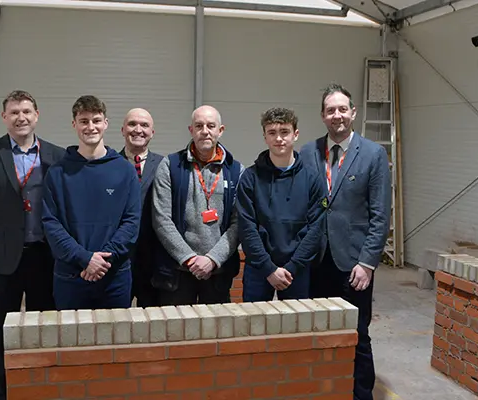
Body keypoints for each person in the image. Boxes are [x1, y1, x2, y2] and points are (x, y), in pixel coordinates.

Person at [0, 90, 66, 400]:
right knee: (3, 332)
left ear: (37, 115)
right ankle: (6, 392)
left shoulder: (56, 156)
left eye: (26, 111)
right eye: (14, 112)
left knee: (43, 330)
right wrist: (2, 231)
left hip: (44, 258)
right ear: (4, 117)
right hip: (2, 261)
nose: (21, 117)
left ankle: (42, 388)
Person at [300, 83, 391, 400]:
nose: (336, 115)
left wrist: (367, 263)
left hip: (353, 263)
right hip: (315, 261)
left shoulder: (373, 154)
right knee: (318, 331)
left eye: (342, 109)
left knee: (357, 334)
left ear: (353, 113)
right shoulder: (308, 153)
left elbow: (380, 214)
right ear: (322, 116)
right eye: (330, 110)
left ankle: (359, 394)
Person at [41, 95, 141, 310]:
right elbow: (51, 223)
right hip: (70, 277)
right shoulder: (57, 173)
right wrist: (84, 258)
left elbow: (131, 222)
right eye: (84, 121)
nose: (91, 127)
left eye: (96, 120)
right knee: (70, 341)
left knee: (116, 341)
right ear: (74, 124)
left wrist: (102, 261)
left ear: (105, 124)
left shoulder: (124, 170)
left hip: (114, 277)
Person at [151, 105, 244, 305]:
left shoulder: (236, 171)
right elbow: (161, 219)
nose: (205, 131)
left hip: (218, 272)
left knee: (217, 332)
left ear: (221, 130)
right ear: (191, 130)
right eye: (199, 125)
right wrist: (189, 258)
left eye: (211, 126)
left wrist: (212, 259)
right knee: (176, 332)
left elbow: (238, 223)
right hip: (178, 273)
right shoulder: (170, 165)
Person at [236, 107, 326, 302]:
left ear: (295, 134)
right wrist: (268, 269)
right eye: (272, 133)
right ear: (265, 137)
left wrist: (293, 267)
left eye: (284, 132)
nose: (279, 138)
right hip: (259, 268)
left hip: (297, 269)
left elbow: (316, 229)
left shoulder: (312, 179)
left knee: (296, 330)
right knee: (255, 328)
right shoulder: (250, 178)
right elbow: (247, 228)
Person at [118, 108, 164, 307]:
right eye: (132, 124)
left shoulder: (165, 166)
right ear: (122, 130)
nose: (138, 130)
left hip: (153, 261)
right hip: (119, 258)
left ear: (152, 132)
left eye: (144, 125)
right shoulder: (109, 163)